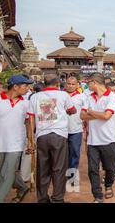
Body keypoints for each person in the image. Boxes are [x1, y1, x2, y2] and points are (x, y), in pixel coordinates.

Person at [26, 74, 76, 203]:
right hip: (59, 135)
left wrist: (31, 140)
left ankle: (42, 198)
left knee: (42, 168)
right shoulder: (64, 95)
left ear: (44, 83)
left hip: (41, 136)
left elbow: (30, 119)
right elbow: (72, 110)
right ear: (58, 83)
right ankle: (58, 198)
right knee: (59, 168)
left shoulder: (35, 97)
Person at [80, 73, 115, 203]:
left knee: (109, 168)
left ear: (94, 82)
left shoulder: (111, 96)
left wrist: (91, 112)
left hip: (109, 139)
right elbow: (82, 116)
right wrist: (98, 114)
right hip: (93, 141)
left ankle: (108, 185)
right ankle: (97, 195)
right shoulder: (88, 97)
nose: (86, 85)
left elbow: (107, 116)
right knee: (92, 169)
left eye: (88, 82)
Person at [0, 75, 33, 203]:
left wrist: (30, 141)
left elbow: (29, 123)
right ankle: (22, 187)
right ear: (15, 87)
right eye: (25, 86)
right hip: (0, 142)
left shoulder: (26, 103)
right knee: (3, 172)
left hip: (16, 144)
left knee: (6, 174)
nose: (27, 89)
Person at [64, 75, 88, 188]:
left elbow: (85, 112)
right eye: (69, 83)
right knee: (62, 154)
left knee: (74, 154)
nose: (70, 86)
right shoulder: (60, 95)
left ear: (77, 85)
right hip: (61, 130)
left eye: (73, 84)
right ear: (65, 84)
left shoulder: (82, 97)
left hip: (76, 129)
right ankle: (62, 175)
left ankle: (72, 176)